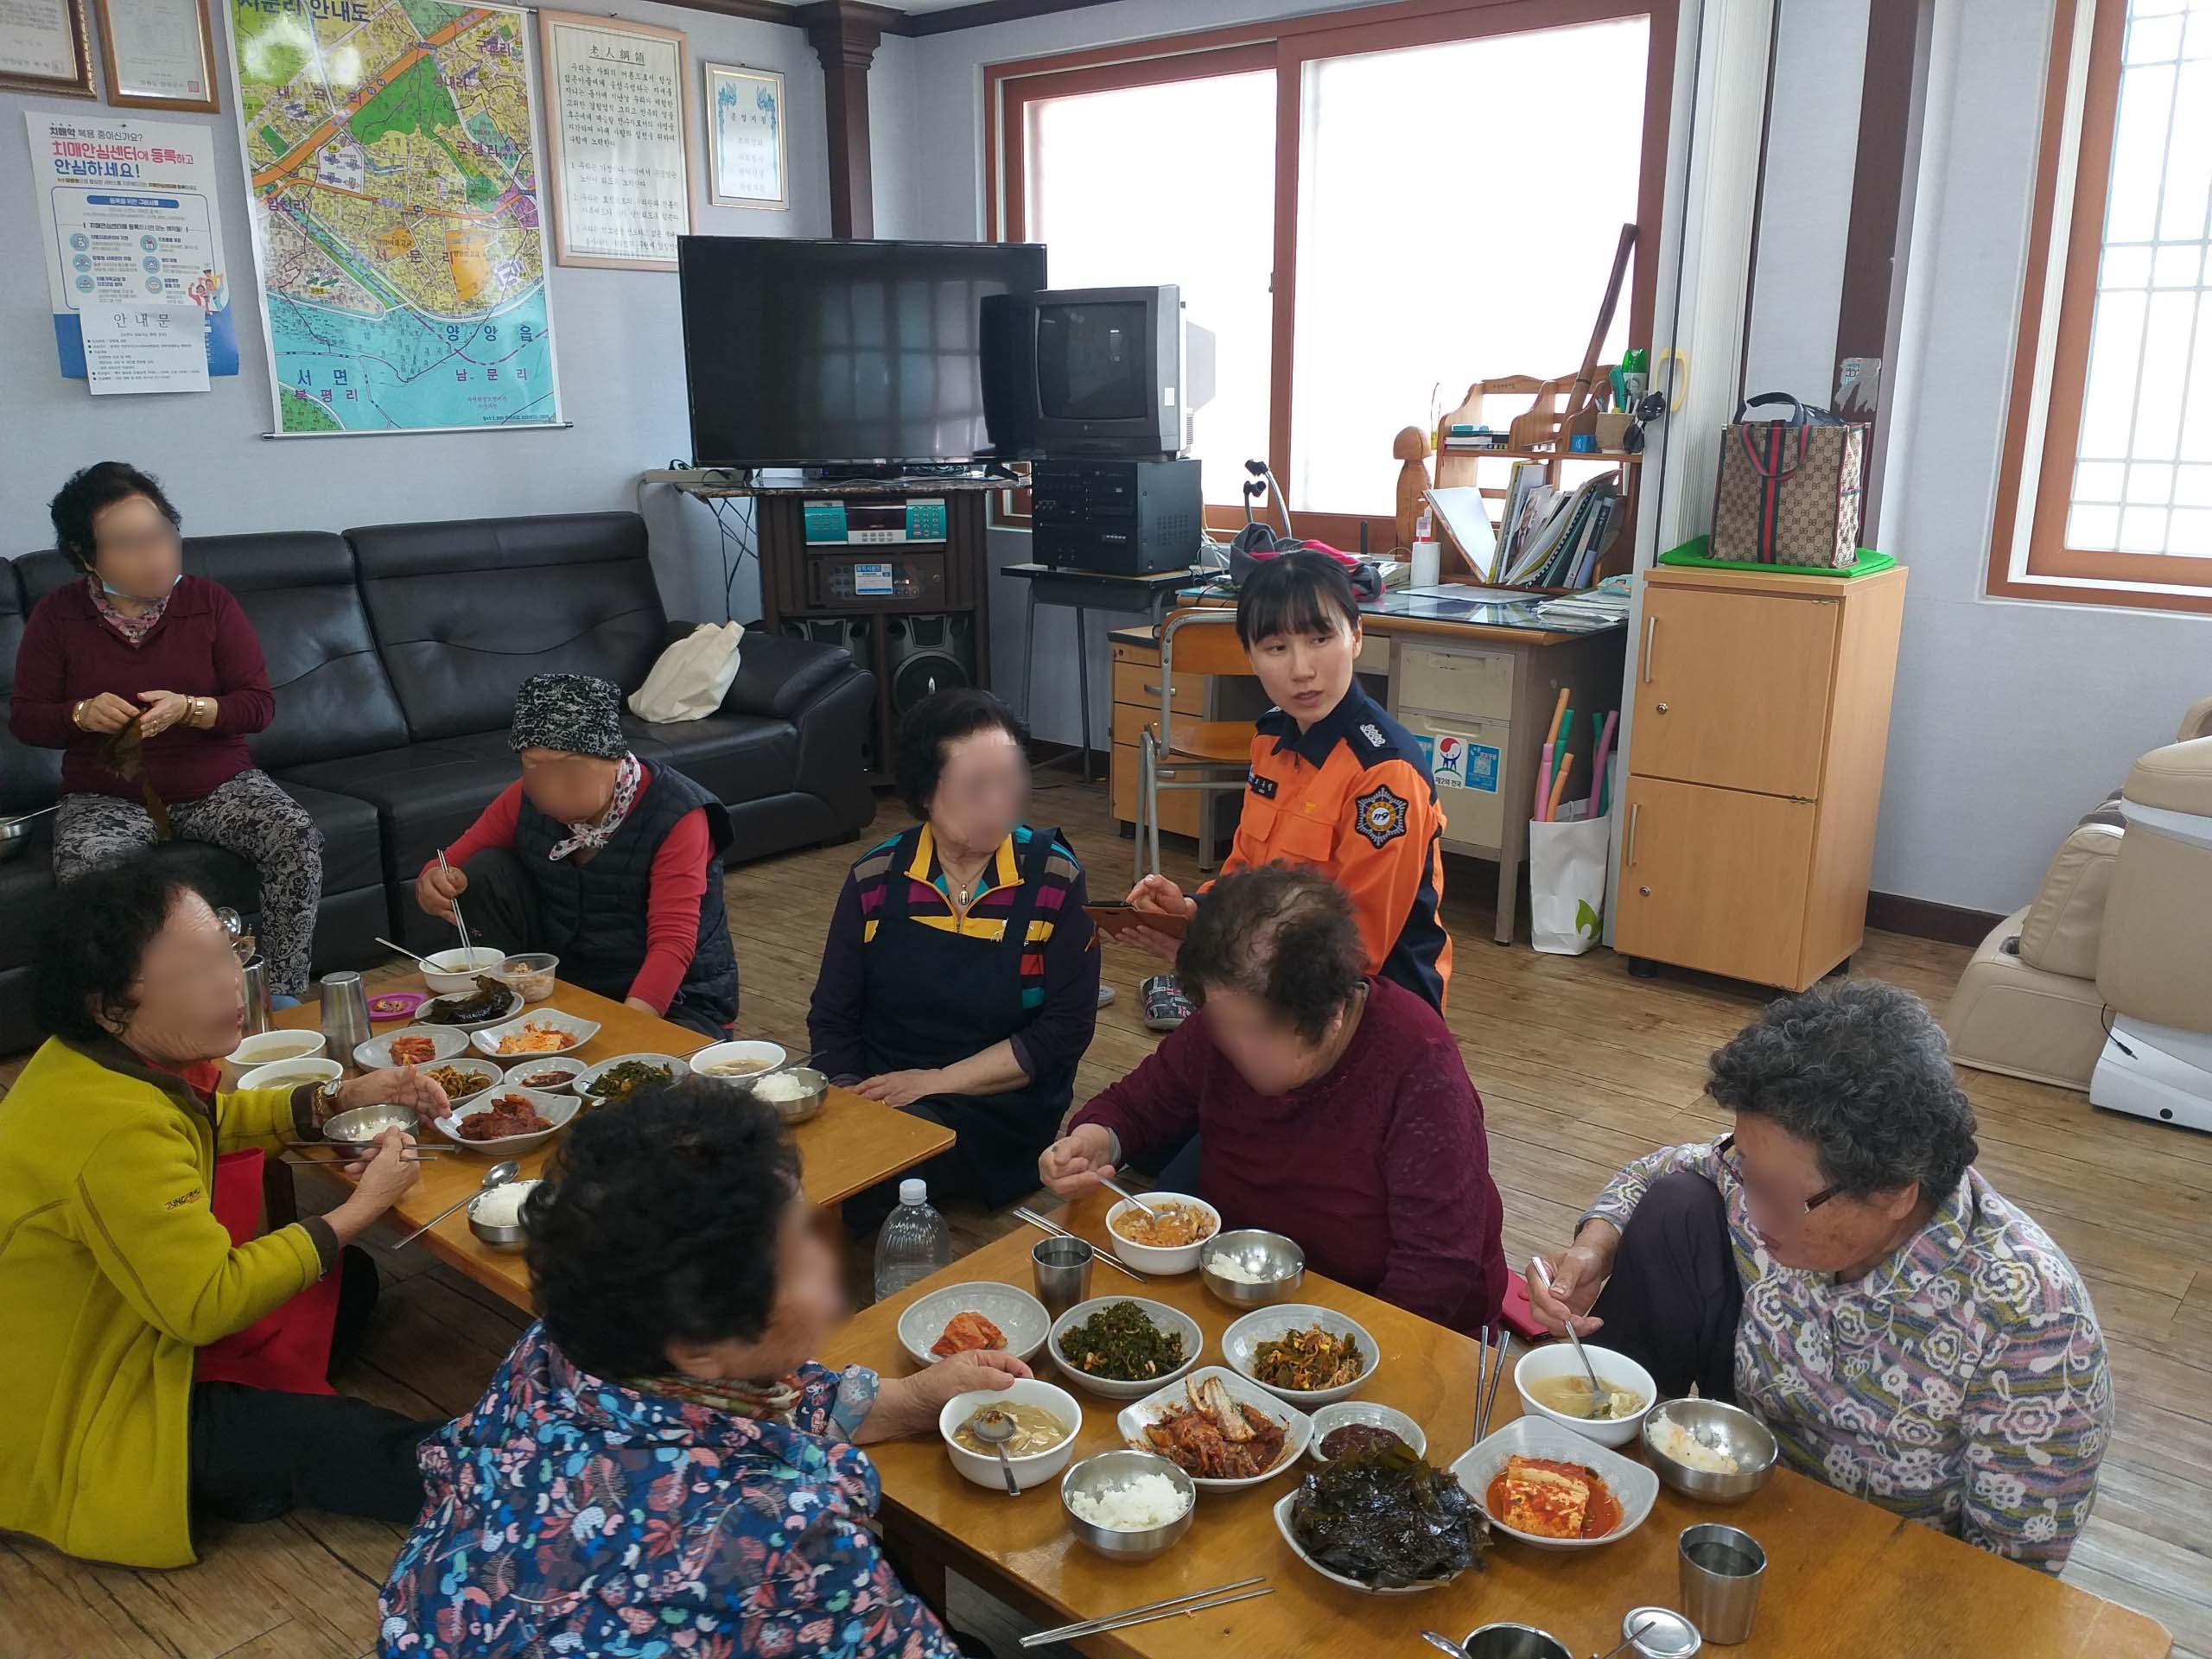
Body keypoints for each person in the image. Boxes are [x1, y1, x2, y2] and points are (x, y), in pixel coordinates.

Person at [379, 1081, 1029, 1658]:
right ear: (696, 1344)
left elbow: (734, 1402)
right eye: (798, 1258)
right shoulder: (780, 1541)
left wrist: (909, 1399)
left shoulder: (560, 1346)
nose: (831, 1276)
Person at [1525, 978, 2113, 1573]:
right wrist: (1595, 1248)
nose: (1754, 1212)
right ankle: (1595, 1487)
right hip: (1743, 1483)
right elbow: (1655, 1171)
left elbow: (2013, 1574)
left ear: (1895, 1192)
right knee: (1680, 1200)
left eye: (1778, 1196)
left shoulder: (2034, 1324)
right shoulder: (1771, 1178)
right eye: (1746, 1170)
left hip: (1884, 1568)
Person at [0, 863, 448, 1569]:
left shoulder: (93, 1061)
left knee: (350, 1282)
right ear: (109, 1005)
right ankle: (493, 1474)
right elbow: (205, 1305)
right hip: (98, 1395)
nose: (232, 983)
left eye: (229, 951)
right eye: (197, 970)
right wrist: (362, 1207)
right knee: (344, 1439)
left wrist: (338, 1098)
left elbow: (210, 1123)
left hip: (144, 1322)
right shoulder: (113, 1129)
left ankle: (243, 1471)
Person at [1038, 865, 1505, 1332]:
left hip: (1378, 1318)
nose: (1235, 1048)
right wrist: (1093, 1143)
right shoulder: (1226, 1019)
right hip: (1238, 1289)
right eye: (1222, 1023)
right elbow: (1136, 1106)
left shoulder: (1418, 1064)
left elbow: (1436, 1271)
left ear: (1332, 1015)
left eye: (1257, 1032)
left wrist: (1328, 1352)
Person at [9, 461, 324, 1001]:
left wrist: (190, 709)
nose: (154, 555)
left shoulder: (210, 603)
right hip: (107, 795)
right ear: (86, 556)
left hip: (217, 784)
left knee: (295, 836)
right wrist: (80, 714)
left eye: (160, 535)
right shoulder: (57, 617)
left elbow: (257, 706)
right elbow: (26, 718)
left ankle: (281, 995)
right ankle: (141, 1013)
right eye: (128, 544)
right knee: (89, 877)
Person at [1121, 550, 1452, 1026]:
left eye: (1320, 639)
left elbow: (1359, 951)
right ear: (1250, 657)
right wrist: (1194, 911)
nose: (1301, 670)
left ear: (1356, 637)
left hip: (1372, 1009)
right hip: (1271, 983)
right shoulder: (1272, 738)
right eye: (1276, 647)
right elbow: (1246, 874)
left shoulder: (1384, 774)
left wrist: (1216, 961)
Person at [811, 689, 1099, 1221]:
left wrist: (934, 1082)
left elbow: (1063, 1032)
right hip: (884, 1085)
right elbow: (832, 1015)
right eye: (976, 786)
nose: (999, 803)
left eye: (1009, 781)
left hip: (999, 1105)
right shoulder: (876, 876)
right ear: (925, 790)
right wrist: (849, 1097)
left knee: (878, 1170)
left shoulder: (1053, 877)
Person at [416, 672, 737, 1038]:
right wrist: (433, 883)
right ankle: (502, 1008)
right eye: (533, 766)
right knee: (484, 870)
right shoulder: (521, 798)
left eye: (570, 768)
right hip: (571, 983)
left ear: (614, 758)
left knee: (649, 1067)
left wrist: (624, 1031)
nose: (551, 787)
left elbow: (673, 940)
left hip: (676, 997)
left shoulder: (678, 815)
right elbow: (447, 864)